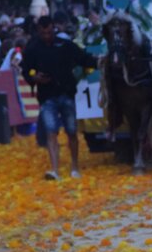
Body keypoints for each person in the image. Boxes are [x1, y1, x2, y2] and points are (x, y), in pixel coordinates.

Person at [21, 15, 97, 180]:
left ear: (53, 29)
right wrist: (34, 77)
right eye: (43, 33)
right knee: (51, 132)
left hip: (66, 93)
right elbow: (26, 69)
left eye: (49, 32)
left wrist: (98, 60)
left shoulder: (65, 45)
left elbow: (83, 59)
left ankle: (75, 167)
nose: (46, 36)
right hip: (47, 96)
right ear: (38, 31)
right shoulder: (33, 47)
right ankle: (55, 169)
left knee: (71, 131)